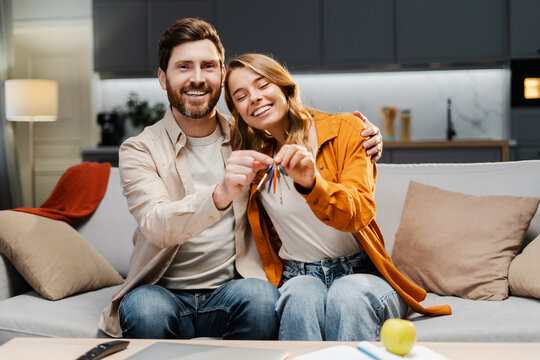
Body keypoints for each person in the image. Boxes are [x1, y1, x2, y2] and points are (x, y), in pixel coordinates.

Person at [99, 18, 384, 340]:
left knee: (262, 298)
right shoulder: (139, 149)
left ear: (221, 76)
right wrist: (221, 193)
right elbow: (155, 224)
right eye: (183, 67)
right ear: (163, 78)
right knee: (145, 309)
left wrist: (366, 136)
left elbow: (301, 125)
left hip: (232, 290)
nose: (197, 78)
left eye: (208, 66)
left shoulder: (249, 136)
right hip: (161, 290)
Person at [223, 53, 452, 341]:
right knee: (299, 296)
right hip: (298, 276)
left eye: (262, 84)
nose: (254, 98)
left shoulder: (347, 130)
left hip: (360, 273)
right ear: (237, 112)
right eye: (240, 96)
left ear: (284, 86)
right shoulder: (253, 158)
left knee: (348, 296)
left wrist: (312, 184)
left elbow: (359, 212)